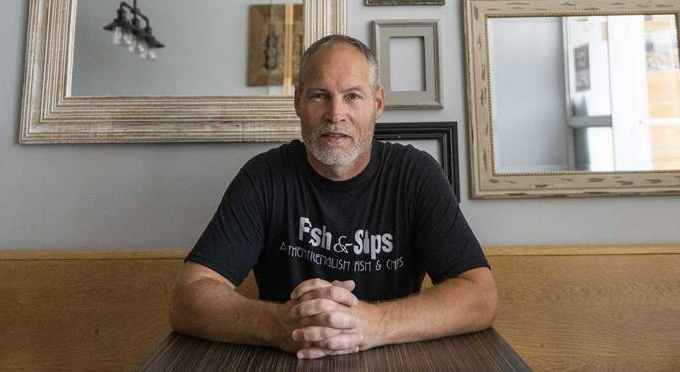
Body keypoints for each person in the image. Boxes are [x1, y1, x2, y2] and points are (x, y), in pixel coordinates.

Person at [168, 34, 498, 359]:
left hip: (393, 358)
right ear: (298, 101)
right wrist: (280, 324)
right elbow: (187, 298)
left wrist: (374, 323)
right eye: (319, 96)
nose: (335, 113)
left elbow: (480, 295)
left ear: (378, 104)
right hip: (288, 360)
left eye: (352, 96)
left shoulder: (416, 175)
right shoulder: (264, 177)